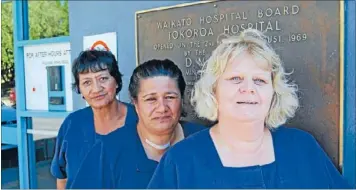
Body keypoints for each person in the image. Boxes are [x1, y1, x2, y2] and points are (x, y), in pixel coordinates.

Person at [147, 29, 352, 188]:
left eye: (260, 80)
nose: (248, 89)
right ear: (213, 90)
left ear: (274, 92)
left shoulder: (303, 148)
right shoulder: (182, 161)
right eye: (235, 79)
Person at [50, 50, 138, 189]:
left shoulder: (139, 120)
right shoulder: (72, 124)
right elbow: (62, 177)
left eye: (103, 79)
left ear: (116, 81)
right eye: (87, 82)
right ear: (79, 89)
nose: (96, 89)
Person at [112, 59, 206, 188]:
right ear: (136, 104)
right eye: (151, 99)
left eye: (170, 97)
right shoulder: (107, 151)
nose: (162, 108)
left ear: (182, 100)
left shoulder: (206, 143)